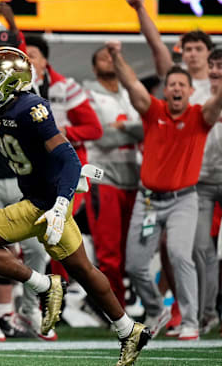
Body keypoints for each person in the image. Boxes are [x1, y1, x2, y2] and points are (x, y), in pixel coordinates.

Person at [0, 46, 150, 366]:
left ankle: (60, 292)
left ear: (11, 81)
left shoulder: (31, 108)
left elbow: (68, 158)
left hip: (47, 203)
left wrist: (61, 207)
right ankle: (122, 325)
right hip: (34, 201)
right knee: (83, 271)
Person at [109, 40, 222, 341]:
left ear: (189, 91)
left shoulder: (200, 116)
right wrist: (117, 56)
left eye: (181, 85)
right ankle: (156, 308)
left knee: (179, 255)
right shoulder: (153, 111)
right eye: (171, 83)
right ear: (165, 89)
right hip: (147, 201)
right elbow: (132, 84)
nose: (175, 88)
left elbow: (218, 101)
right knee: (134, 265)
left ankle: (190, 321)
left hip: (183, 200)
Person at [83, 46, 144, 309]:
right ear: (94, 67)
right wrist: (133, 129)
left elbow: (148, 129)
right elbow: (100, 134)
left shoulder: (133, 94)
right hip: (104, 179)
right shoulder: (87, 95)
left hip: (136, 178)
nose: (109, 59)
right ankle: (114, 309)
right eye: (103, 57)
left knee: (135, 252)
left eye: (113, 56)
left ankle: (136, 305)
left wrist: (125, 127)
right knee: (108, 253)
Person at [195, 49, 222, 334]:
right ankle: (207, 314)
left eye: (221, 66)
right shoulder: (195, 93)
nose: (215, 70)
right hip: (201, 182)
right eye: (212, 65)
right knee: (201, 249)